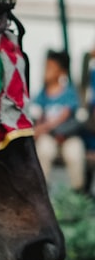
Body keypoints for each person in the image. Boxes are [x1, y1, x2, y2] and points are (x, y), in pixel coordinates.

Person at [32, 49, 87, 192]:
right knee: (43, 150)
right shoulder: (42, 94)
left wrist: (43, 128)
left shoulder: (69, 93)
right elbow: (38, 114)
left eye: (50, 68)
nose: (46, 72)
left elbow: (65, 115)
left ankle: (78, 191)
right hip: (49, 137)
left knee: (75, 153)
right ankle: (42, 189)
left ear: (61, 72)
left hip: (67, 137)